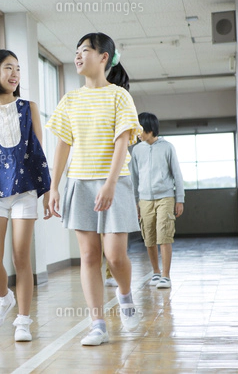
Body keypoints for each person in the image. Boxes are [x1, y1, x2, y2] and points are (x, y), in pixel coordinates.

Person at [46, 32, 142, 346]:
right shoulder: (70, 100)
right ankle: (97, 324)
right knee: (88, 256)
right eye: (76, 51)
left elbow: (123, 142)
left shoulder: (119, 96)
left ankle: (125, 296)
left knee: (115, 256)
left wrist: (111, 184)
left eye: (85, 50)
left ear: (103, 57)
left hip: (115, 182)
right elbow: (63, 144)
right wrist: (54, 187)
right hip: (80, 182)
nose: (78, 55)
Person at [0, 49, 52, 342]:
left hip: (25, 191)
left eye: (17, 68)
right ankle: (4, 299)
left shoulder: (29, 108)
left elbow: (39, 153)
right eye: (8, 68)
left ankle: (23, 321)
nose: (15, 74)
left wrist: (47, 191)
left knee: (21, 257)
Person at [129, 112, 185, 289]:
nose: (137, 133)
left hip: (165, 197)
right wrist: (136, 202)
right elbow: (134, 178)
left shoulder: (167, 147)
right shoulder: (136, 150)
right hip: (144, 200)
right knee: (149, 238)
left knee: (164, 235)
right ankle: (156, 272)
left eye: (140, 129)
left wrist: (180, 199)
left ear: (150, 128)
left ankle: (166, 276)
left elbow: (177, 174)